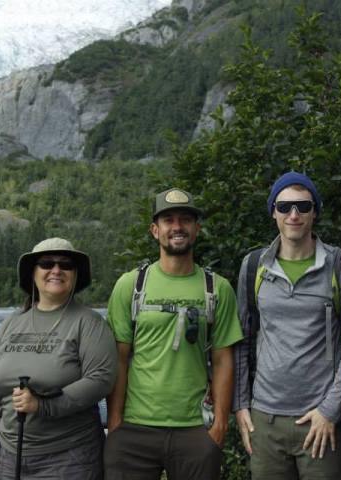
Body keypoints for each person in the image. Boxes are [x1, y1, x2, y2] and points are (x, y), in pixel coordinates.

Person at [104, 187, 243, 480]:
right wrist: (115, 424)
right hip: (133, 430)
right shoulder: (131, 286)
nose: (177, 227)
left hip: (195, 430)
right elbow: (119, 359)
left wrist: (220, 425)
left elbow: (223, 360)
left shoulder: (217, 289)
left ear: (197, 229)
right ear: (155, 230)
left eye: (185, 220)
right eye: (168, 220)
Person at [233, 172, 341, 479]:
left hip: (321, 420)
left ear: (315, 211)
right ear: (273, 212)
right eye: (284, 206)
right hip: (265, 418)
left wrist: (331, 409)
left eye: (303, 207)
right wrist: (240, 406)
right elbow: (242, 338)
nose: (293, 215)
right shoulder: (253, 266)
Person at [0, 237, 117, 480]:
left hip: (70, 458)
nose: (56, 270)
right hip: (10, 457)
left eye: (65, 265)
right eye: (47, 263)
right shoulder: (11, 323)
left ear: (75, 275)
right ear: (33, 273)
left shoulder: (89, 323)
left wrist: (43, 406)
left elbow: (100, 379)